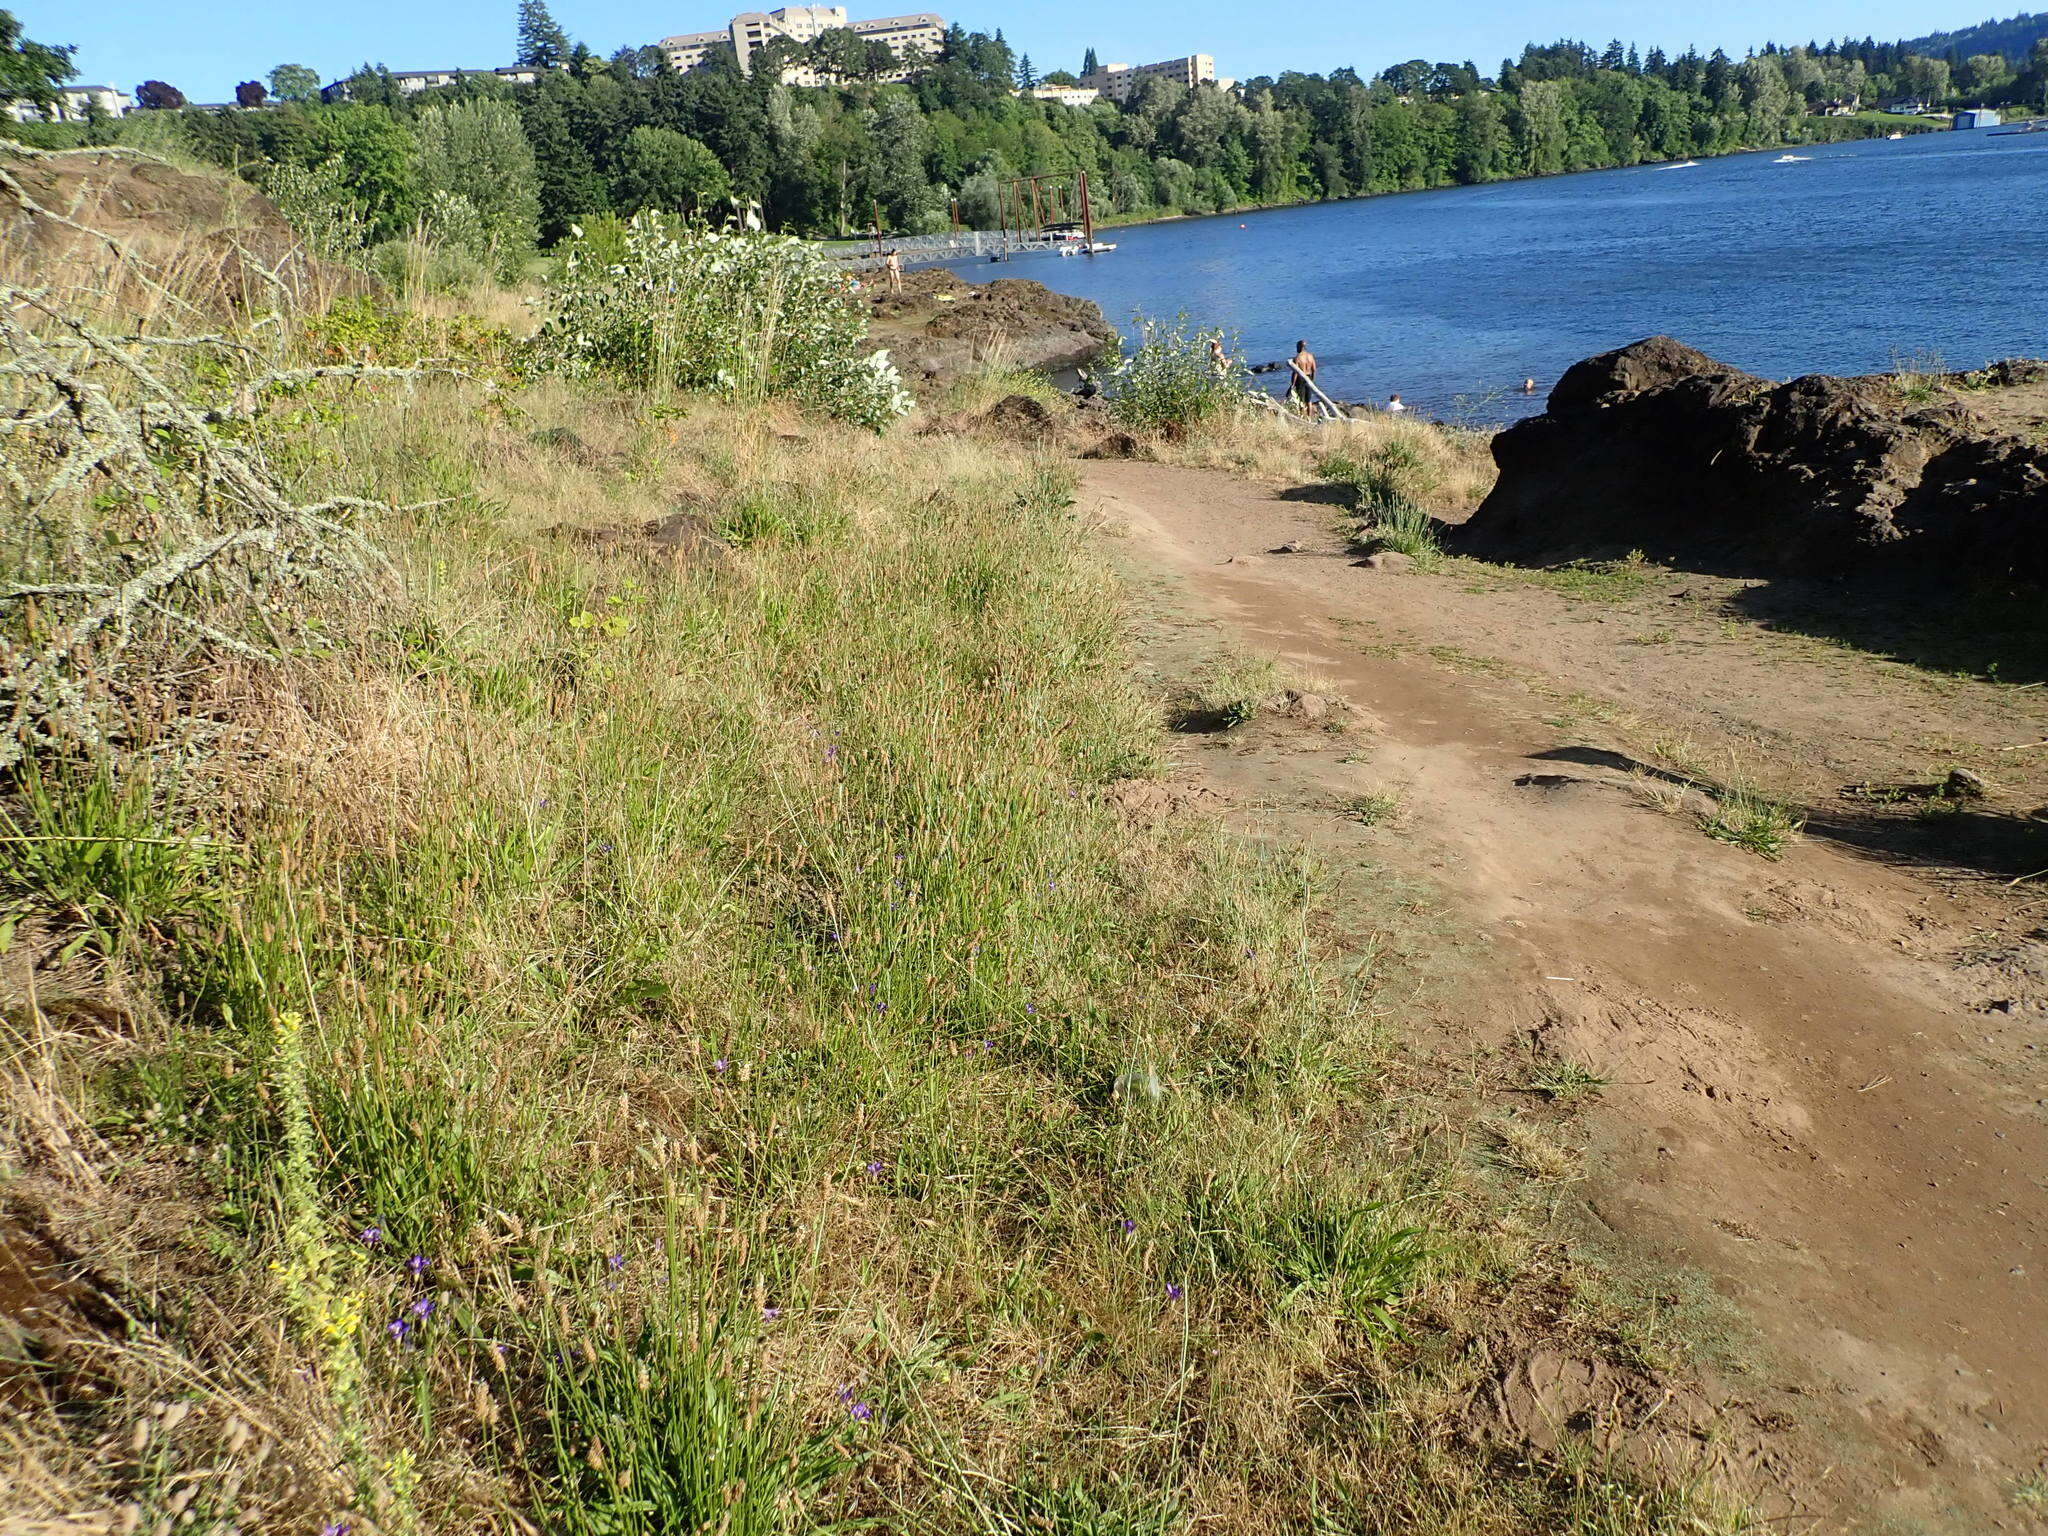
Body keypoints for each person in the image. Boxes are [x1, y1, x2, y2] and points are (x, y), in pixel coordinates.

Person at [1286, 340, 1318, 414]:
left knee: (1301, 400)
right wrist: (1312, 381)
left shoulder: (1297, 358)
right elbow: (1314, 369)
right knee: (1309, 400)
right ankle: (1309, 417)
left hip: (1300, 379)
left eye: (1297, 346)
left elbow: (1295, 373)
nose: (1296, 348)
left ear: (1300, 347)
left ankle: (1302, 416)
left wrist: (1292, 385)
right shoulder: (1311, 356)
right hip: (1309, 378)